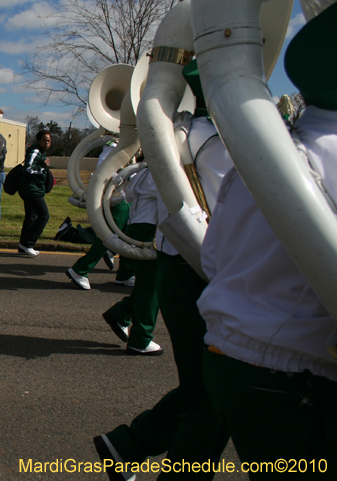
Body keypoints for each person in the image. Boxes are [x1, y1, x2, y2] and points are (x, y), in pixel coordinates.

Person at [195, 2, 337, 476]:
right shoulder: (215, 142)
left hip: (236, 353)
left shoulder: (258, 155)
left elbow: (214, 255)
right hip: (295, 371)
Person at [94, 60, 233, 480]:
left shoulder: (187, 133)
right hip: (201, 267)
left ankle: (129, 445)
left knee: (208, 391)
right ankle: (132, 445)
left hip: (184, 262)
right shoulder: (219, 141)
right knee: (216, 393)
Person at [101, 166, 162, 357]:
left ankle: (121, 313)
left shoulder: (143, 171)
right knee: (152, 287)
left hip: (137, 225)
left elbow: (126, 197)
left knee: (149, 284)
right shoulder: (160, 170)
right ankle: (141, 338)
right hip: (152, 228)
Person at [66, 140, 135, 289]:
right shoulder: (114, 146)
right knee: (108, 237)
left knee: (127, 236)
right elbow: (104, 171)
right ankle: (80, 269)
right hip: (116, 197)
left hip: (126, 196)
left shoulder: (129, 144)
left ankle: (125, 273)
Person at [17, 130, 52, 256]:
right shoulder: (35, 151)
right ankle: (28, 243)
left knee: (31, 217)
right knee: (44, 215)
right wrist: (42, 167)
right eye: (44, 140)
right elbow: (28, 169)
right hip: (30, 189)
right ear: (38, 141)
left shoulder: (41, 152)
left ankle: (23, 246)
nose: (47, 143)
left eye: (49, 140)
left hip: (35, 188)